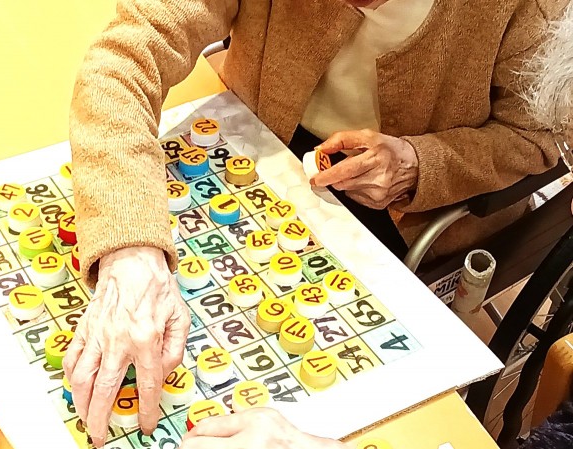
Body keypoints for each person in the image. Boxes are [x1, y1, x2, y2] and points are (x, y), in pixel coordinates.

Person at [63, 0, 568, 447]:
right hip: (254, 151)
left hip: (415, 216)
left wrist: (419, 163)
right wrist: (130, 247)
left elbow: (537, 136)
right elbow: (124, 59)